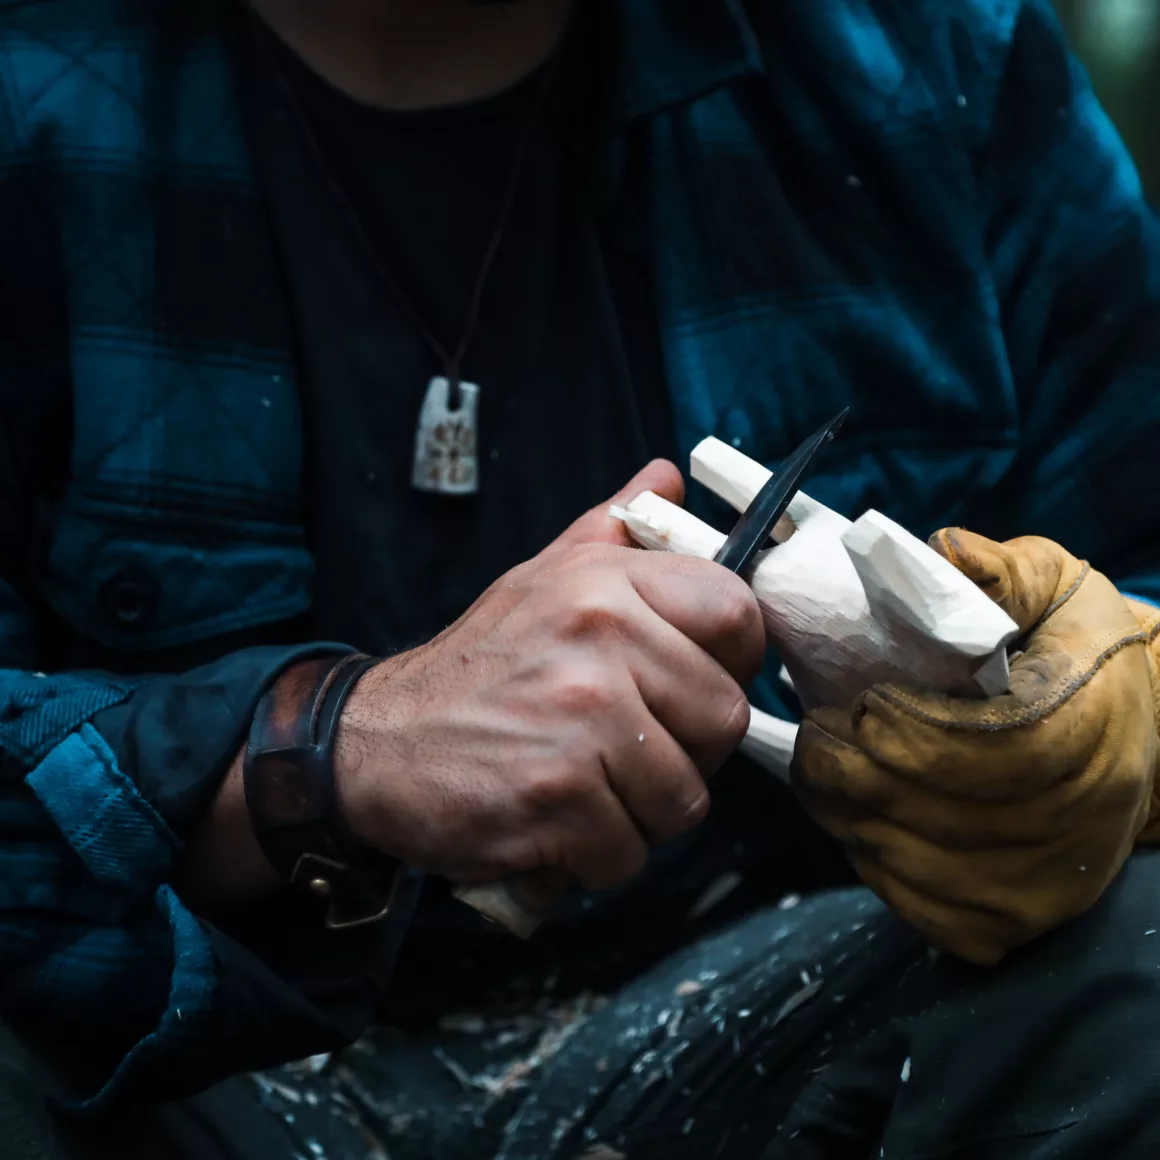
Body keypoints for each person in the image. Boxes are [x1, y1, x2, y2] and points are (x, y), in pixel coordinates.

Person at [1, 0, 1159, 1156]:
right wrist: (316, 758)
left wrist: (1124, 725)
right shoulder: (38, 90)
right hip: (176, 1063)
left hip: (755, 1014)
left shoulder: (926, 59)